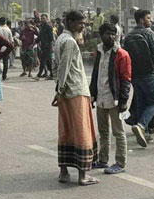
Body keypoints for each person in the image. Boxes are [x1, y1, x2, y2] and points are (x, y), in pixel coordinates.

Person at [50, 11, 98, 186]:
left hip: (65, 91)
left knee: (67, 131)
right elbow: (64, 66)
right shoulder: (69, 42)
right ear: (70, 23)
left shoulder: (61, 39)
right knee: (81, 131)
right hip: (75, 90)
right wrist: (60, 89)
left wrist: (59, 89)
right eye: (80, 23)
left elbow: (57, 66)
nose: (83, 26)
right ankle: (83, 175)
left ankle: (64, 172)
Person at [89, 22, 131, 175]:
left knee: (118, 132)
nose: (111, 37)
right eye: (108, 34)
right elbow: (96, 74)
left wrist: (124, 100)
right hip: (101, 96)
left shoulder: (121, 54)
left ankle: (120, 162)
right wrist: (92, 94)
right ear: (102, 35)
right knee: (103, 131)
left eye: (113, 34)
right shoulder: (99, 51)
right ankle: (102, 159)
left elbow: (126, 79)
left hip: (115, 99)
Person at [122, 9, 154, 148]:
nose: (150, 20)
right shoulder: (149, 33)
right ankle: (141, 125)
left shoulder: (128, 36)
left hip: (135, 74)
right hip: (149, 72)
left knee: (141, 102)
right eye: (148, 18)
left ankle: (144, 132)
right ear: (141, 20)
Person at [35, 14, 55, 80]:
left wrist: (52, 46)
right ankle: (52, 74)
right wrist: (35, 41)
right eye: (41, 18)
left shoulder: (49, 27)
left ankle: (38, 75)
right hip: (43, 46)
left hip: (48, 46)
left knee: (43, 61)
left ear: (46, 19)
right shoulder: (42, 26)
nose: (42, 19)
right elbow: (40, 36)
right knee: (48, 61)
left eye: (43, 18)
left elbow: (51, 38)